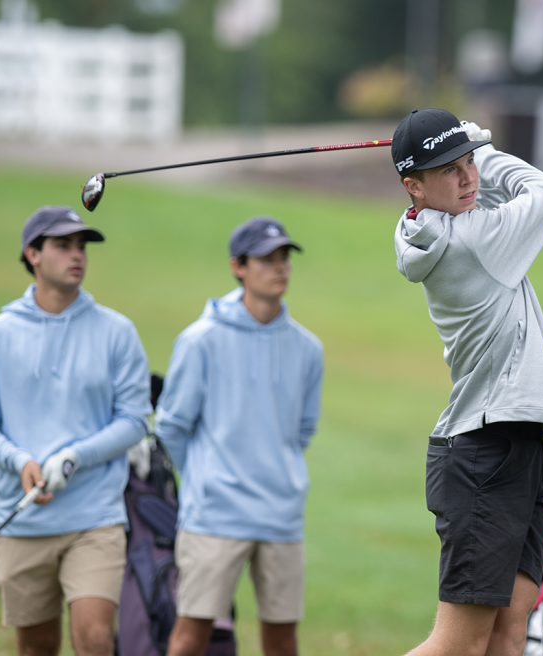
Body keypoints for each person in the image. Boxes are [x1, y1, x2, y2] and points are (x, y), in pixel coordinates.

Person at [391, 108, 543, 656]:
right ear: (413, 187)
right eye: (450, 169)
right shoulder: (474, 240)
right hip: (485, 452)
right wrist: (485, 148)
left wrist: (462, 149)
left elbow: (476, 197)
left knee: (508, 636)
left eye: (468, 163)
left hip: (519, 442)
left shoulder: (434, 223)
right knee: (460, 645)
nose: (468, 177)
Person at [0, 206, 152, 656]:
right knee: (36, 647)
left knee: (96, 638)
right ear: (33, 254)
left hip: (95, 517)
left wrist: (74, 456)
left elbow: (134, 419)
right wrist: (19, 460)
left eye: (81, 246)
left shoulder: (117, 332)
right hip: (20, 519)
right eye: (62, 245)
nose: (76, 255)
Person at [155, 217, 324, 656]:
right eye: (267, 259)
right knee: (192, 634)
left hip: (280, 514)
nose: (280, 267)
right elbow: (171, 425)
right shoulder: (200, 340)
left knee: (283, 640)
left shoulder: (308, 348)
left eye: (284, 257)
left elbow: (302, 429)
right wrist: (203, 476)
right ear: (238, 266)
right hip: (215, 515)